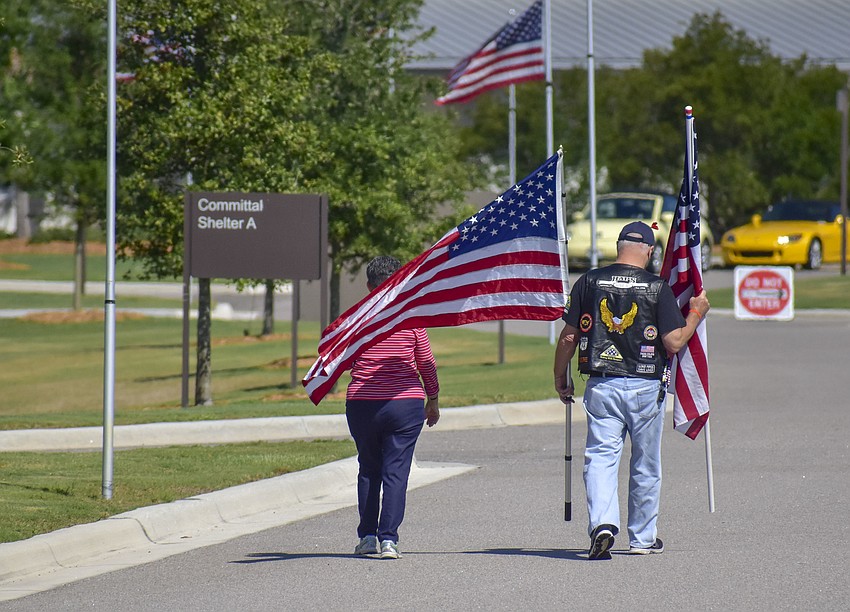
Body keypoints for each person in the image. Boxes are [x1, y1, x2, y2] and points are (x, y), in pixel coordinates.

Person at [553, 221, 710, 560]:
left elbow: (568, 336)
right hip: (645, 387)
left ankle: (603, 524)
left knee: (600, 458)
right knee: (645, 464)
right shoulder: (657, 287)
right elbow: (673, 341)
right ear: (650, 251)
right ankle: (642, 538)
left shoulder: (589, 281)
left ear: (617, 246)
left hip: (602, 383)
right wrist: (695, 314)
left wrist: (559, 375)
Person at [346, 255, 441, 560]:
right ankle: (389, 539)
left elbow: (341, 358)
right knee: (396, 472)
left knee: (368, 468)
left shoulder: (356, 318)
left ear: (368, 285)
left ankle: (368, 536)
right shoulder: (410, 317)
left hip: (362, 402)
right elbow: (425, 361)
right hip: (405, 404)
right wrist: (434, 398)